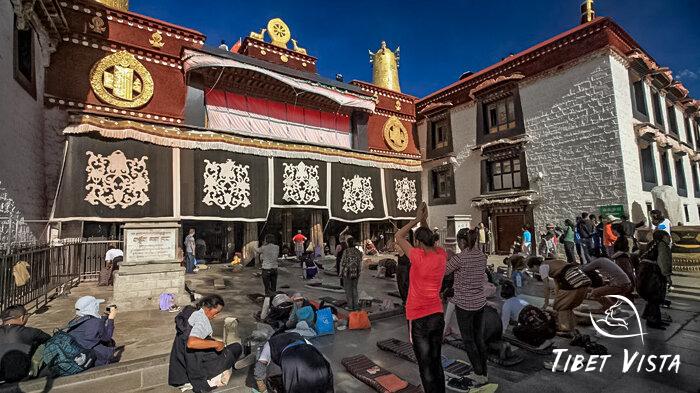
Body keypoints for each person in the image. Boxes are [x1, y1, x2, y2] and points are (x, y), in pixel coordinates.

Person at [395, 202, 447, 393]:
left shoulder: (416, 256)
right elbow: (428, 239)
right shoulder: (441, 255)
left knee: (425, 365)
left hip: (418, 317)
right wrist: (424, 219)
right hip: (436, 314)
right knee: (436, 360)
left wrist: (417, 219)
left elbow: (399, 236)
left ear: (417, 242)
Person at [168, 295, 251, 392]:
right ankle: (232, 363)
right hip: (202, 366)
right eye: (216, 312)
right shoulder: (202, 320)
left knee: (226, 347)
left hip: (181, 368)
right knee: (236, 347)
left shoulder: (190, 312)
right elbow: (192, 343)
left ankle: (231, 361)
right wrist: (216, 344)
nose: (216, 316)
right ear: (207, 308)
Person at [444, 228, 489, 386]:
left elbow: (444, 271)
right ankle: (483, 371)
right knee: (479, 339)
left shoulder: (460, 258)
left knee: (468, 340)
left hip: (464, 303)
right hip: (480, 302)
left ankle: (478, 373)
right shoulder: (482, 256)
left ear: (462, 242)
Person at [527, 257, 590, 335]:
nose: (535, 272)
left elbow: (546, 287)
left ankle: (565, 329)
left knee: (560, 306)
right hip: (583, 280)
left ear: (535, 266)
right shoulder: (553, 263)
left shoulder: (542, 267)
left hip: (573, 281)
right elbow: (557, 284)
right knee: (567, 306)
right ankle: (572, 328)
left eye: (533, 270)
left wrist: (546, 302)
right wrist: (557, 298)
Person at [253, 331, 333, 393]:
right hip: (312, 353)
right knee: (320, 380)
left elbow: (261, 364)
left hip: (291, 359)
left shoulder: (270, 343)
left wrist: (262, 388)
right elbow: (313, 349)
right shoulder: (297, 335)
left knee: (295, 386)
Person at [0, 305, 51, 382]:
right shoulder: (32, 332)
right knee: (44, 346)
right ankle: (34, 373)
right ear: (22, 318)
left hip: (1, 376)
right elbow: (49, 339)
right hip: (21, 375)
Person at [68, 296, 117, 367]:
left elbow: (96, 327)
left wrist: (104, 317)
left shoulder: (75, 319)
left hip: (77, 349)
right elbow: (107, 337)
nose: (97, 307)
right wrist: (111, 319)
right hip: (85, 354)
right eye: (96, 305)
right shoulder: (94, 322)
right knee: (109, 342)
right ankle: (101, 363)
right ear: (91, 307)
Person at [637, 230, 672, 330]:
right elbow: (663, 262)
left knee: (651, 298)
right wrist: (668, 277)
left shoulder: (651, 244)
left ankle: (650, 317)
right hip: (654, 275)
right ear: (663, 237)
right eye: (668, 237)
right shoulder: (662, 245)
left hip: (645, 273)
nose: (669, 239)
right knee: (655, 298)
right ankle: (653, 321)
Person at [339, 236, 363, 311]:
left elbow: (342, 263)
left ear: (348, 243)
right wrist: (360, 271)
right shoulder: (358, 252)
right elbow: (360, 263)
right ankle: (355, 306)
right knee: (354, 289)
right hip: (356, 272)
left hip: (347, 272)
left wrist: (340, 272)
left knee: (348, 289)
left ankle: (350, 306)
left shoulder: (346, 251)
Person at [395, 228, 414, 306]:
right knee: (407, 284)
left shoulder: (401, 244)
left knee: (403, 285)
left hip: (403, 267)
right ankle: (408, 301)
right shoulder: (410, 244)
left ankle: (406, 301)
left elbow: (395, 245)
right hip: (409, 266)